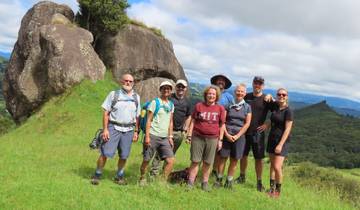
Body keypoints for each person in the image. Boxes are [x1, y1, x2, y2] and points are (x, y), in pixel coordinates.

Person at [91, 74, 140, 185]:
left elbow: (137, 116)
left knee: (124, 155)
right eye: (126, 81)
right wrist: (105, 130)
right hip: (113, 127)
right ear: (121, 81)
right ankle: (97, 174)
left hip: (129, 129)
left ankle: (119, 176)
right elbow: (106, 113)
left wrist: (136, 131)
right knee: (105, 153)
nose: (128, 83)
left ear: (133, 83)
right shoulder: (113, 95)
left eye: (130, 81)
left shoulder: (136, 97)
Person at [237, 76, 277, 192]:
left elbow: (276, 112)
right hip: (244, 131)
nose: (257, 85)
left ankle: (259, 182)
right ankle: (242, 176)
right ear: (253, 84)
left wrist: (267, 124)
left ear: (263, 86)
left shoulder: (266, 99)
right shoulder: (247, 96)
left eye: (260, 84)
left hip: (258, 133)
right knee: (243, 155)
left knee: (258, 159)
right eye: (256, 83)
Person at [186, 85, 226, 191]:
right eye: (209, 93)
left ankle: (204, 183)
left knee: (208, 162)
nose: (211, 95)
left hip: (213, 139)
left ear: (216, 96)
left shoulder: (220, 108)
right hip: (197, 137)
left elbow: (222, 125)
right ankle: (190, 182)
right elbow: (193, 121)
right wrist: (189, 135)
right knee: (195, 160)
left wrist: (220, 140)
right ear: (206, 95)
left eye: (213, 94)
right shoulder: (199, 106)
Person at [150, 79, 192, 176]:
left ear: (185, 89)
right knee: (160, 153)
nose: (180, 88)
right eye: (179, 86)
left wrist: (186, 129)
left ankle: (164, 174)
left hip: (179, 133)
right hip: (166, 131)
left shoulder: (187, 102)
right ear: (175, 87)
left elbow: (188, 116)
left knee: (170, 154)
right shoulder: (169, 98)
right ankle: (153, 173)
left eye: (183, 87)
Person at [215, 84, 252, 189]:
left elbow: (247, 123)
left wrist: (237, 136)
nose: (240, 93)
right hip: (227, 134)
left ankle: (229, 181)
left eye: (242, 91)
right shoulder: (228, 105)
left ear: (245, 93)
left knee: (234, 159)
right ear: (234, 92)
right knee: (223, 158)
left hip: (239, 137)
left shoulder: (247, 107)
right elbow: (223, 121)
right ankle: (219, 179)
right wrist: (226, 134)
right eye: (238, 91)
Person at [139, 81, 175, 185]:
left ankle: (162, 181)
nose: (166, 90)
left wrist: (170, 137)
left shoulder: (171, 104)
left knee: (170, 160)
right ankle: (142, 179)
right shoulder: (155, 102)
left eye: (168, 88)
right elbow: (149, 120)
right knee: (146, 160)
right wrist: (147, 137)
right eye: (164, 88)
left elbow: (170, 121)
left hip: (164, 138)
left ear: (170, 91)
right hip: (153, 135)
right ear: (160, 90)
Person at [267, 88, 294, 198]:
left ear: (287, 96)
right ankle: (271, 189)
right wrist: (268, 95)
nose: (281, 96)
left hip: (282, 141)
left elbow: (287, 129)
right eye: (279, 94)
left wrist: (280, 144)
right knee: (272, 166)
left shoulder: (288, 111)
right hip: (272, 138)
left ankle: (277, 191)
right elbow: (269, 99)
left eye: (284, 94)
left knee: (277, 167)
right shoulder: (276, 106)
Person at [210, 74, 234, 177]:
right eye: (219, 80)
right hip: (210, 123)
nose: (221, 82)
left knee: (218, 150)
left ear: (225, 84)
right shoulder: (211, 93)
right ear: (215, 82)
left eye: (222, 81)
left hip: (222, 125)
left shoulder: (229, 96)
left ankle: (214, 170)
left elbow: (233, 108)